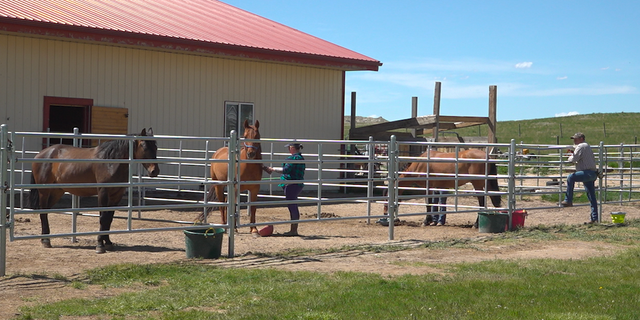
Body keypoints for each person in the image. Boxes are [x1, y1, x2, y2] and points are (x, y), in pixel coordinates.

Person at [264, 143, 306, 236]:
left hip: (291, 183)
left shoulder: (293, 158)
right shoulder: (300, 158)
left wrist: (272, 169)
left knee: (292, 205)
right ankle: (293, 229)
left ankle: (293, 230)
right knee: (292, 205)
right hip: (297, 183)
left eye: (289, 148)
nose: (288, 150)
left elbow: (286, 170)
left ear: (292, 148)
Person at [561, 132, 599, 224]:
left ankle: (568, 200)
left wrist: (569, 157)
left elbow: (574, 159)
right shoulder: (586, 146)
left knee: (571, 177)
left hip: (586, 172)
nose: (574, 140)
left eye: (576, 139)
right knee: (591, 196)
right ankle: (594, 218)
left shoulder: (581, 146)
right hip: (592, 173)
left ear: (581, 138)